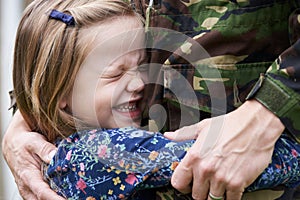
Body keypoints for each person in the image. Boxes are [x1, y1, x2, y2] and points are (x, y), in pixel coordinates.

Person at [2, 0, 300, 199]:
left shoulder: (68, 151)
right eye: (116, 73)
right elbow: (209, 162)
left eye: (142, 64)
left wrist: (269, 110)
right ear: (60, 91)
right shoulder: (104, 153)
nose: (142, 82)